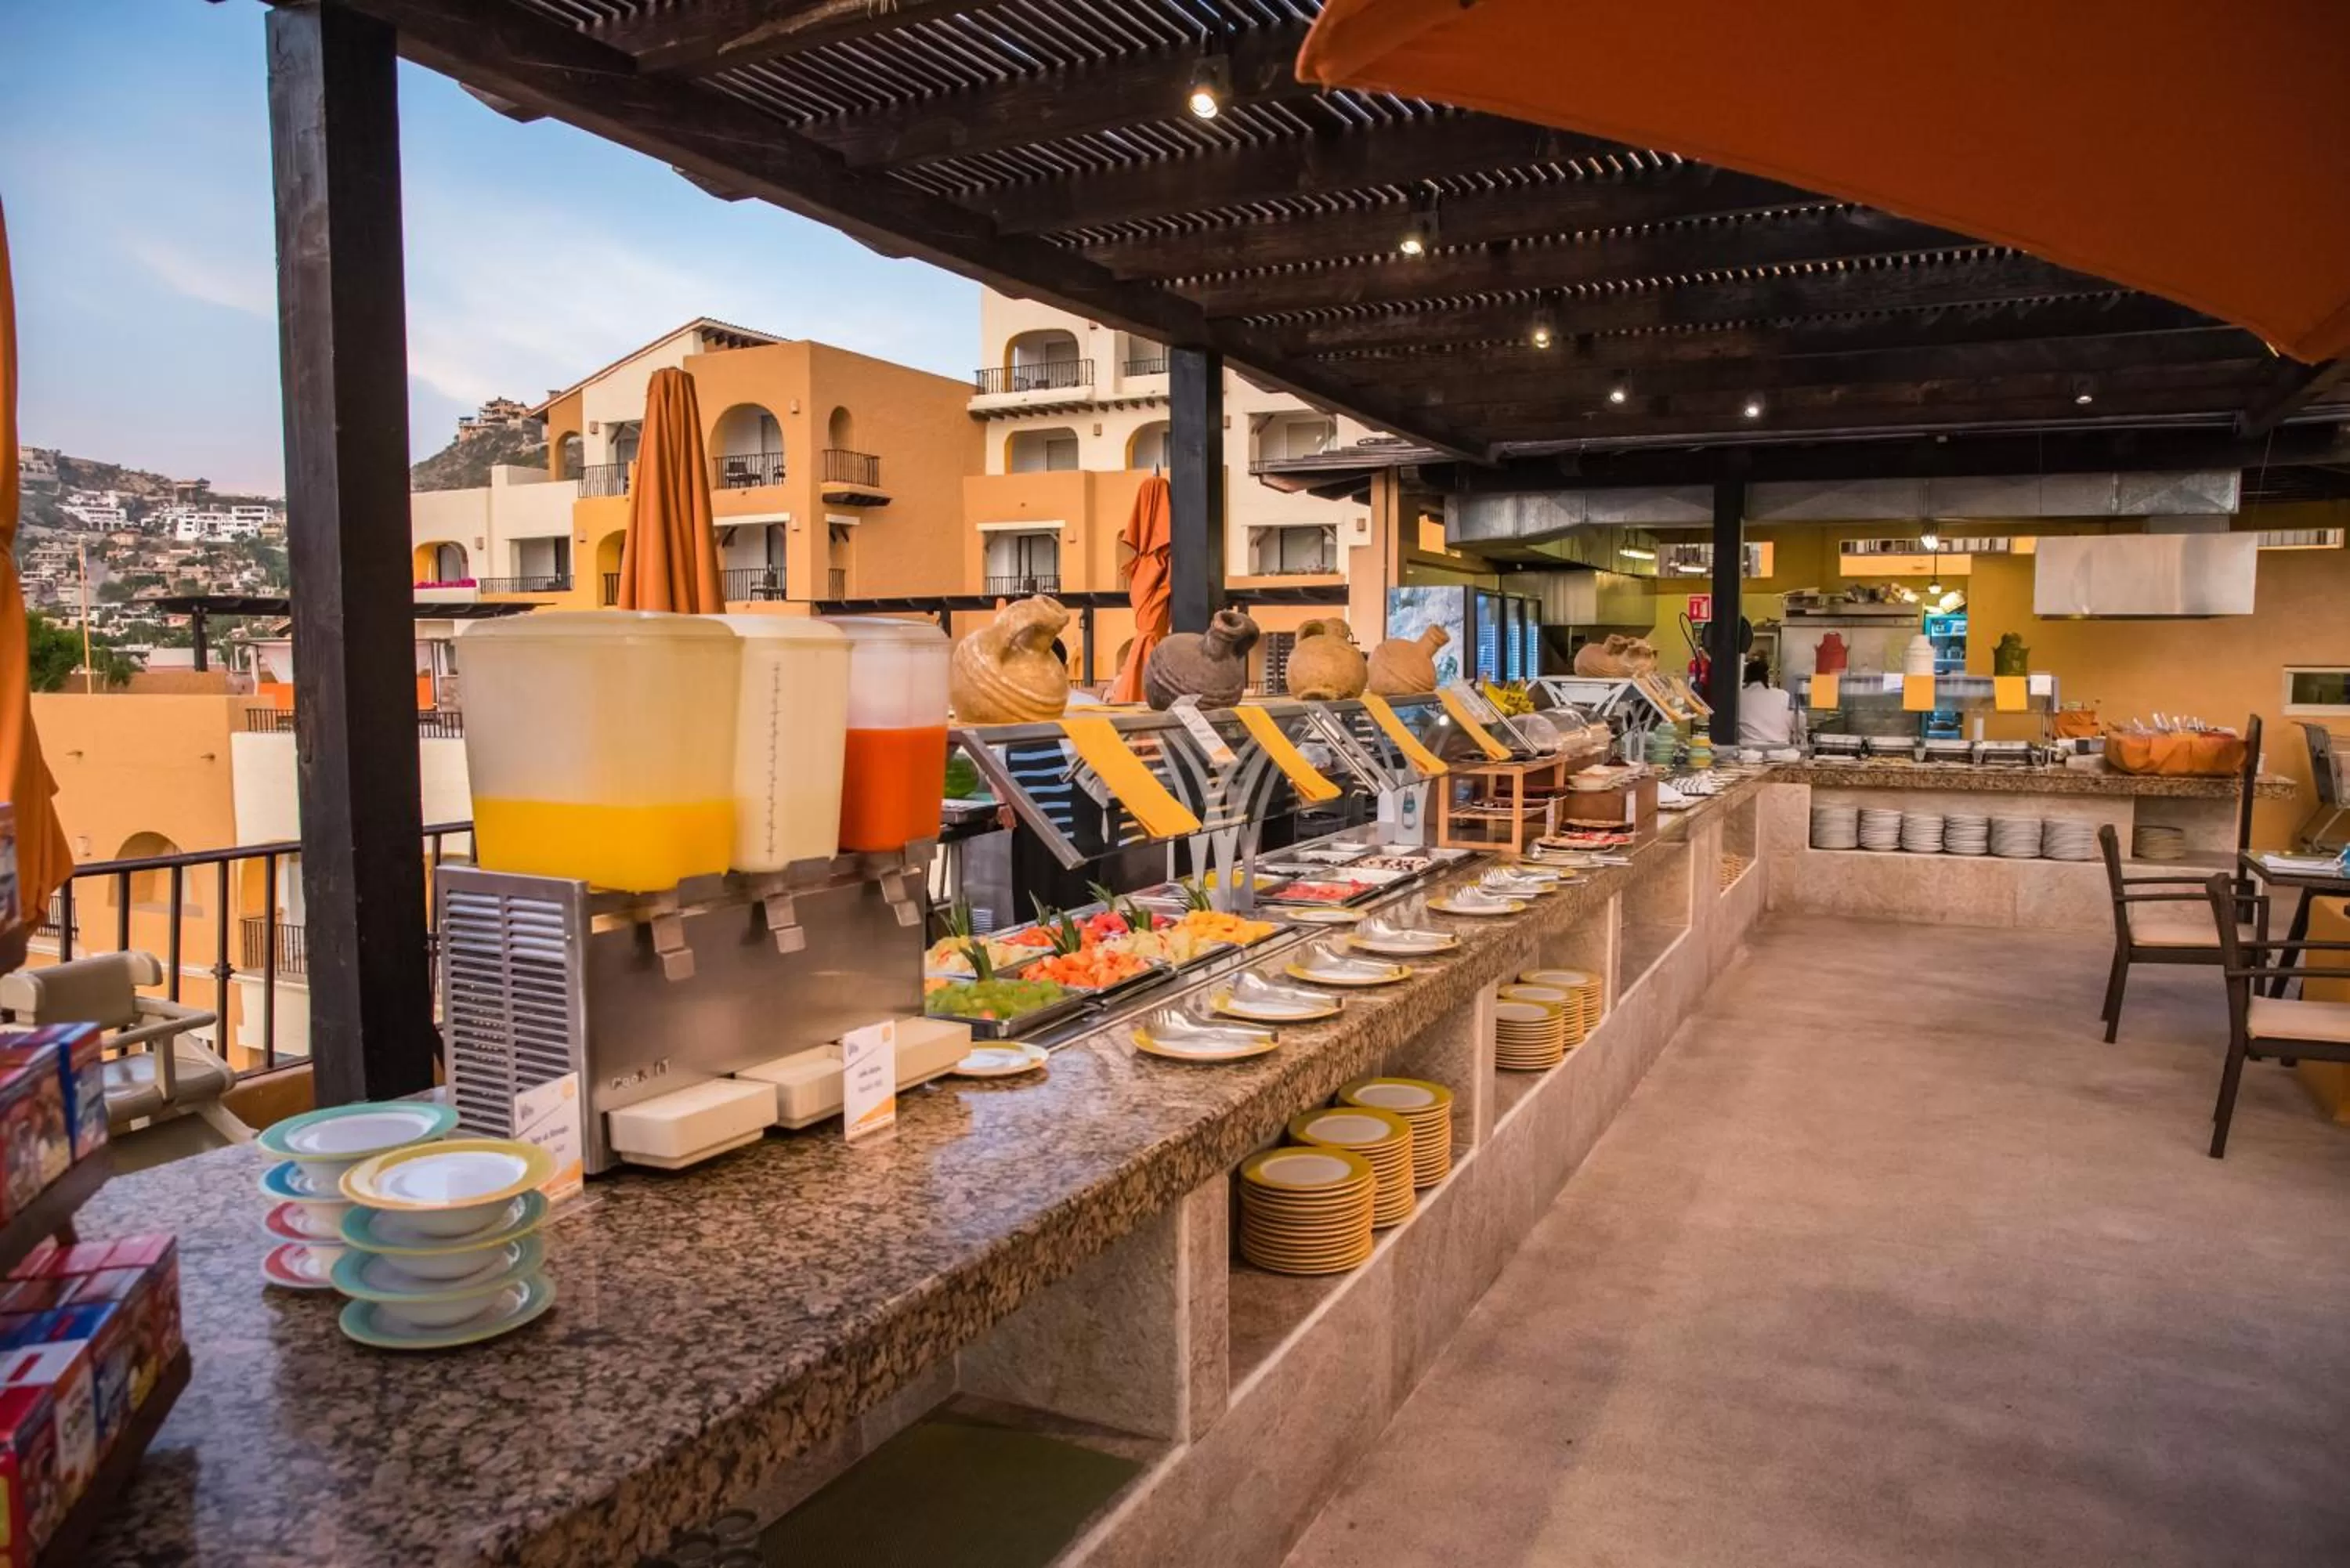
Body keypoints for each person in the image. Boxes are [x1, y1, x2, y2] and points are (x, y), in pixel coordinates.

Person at [1736, 657, 1802, 748]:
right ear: (1767, 677)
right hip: (1780, 751)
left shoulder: (1739, 697)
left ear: (1746, 677)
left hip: (1749, 751)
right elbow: (1800, 720)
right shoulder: (1784, 696)